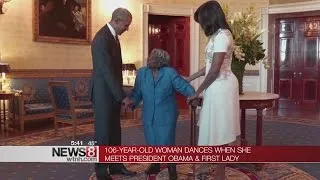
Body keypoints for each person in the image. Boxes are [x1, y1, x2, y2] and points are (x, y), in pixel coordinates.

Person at [186, 1, 240, 179]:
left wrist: (197, 91)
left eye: (202, 21)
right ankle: (214, 170)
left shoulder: (223, 36)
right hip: (215, 87)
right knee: (215, 129)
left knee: (221, 130)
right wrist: (191, 78)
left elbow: (215, 70)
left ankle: (220, 174)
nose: (201, 25)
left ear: (209, 18)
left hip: (222, 87)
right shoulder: (216, 36)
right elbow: (208, 66)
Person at [129, 49, 196, 180]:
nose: (150, 59)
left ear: (161, 61)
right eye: (150, 57)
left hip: (166, 114)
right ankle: (155, 164)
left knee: (166, 142)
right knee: (152, 141)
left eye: (153, 57)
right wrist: (132, 102)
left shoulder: (169, 73)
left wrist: (193, 95)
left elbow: (183, 86)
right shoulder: (142, 73)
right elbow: (137, 92)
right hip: (149, 114)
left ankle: (172, 169)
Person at [91, 8, 137, 180]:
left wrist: (119, 94)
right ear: (117, 20)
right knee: (103, 133)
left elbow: (115, 71)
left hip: (111, 93)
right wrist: (122, 96)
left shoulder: (113, 37)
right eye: (126, 25)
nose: (127, 28)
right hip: (103, 94)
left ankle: (116, 166)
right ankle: (102, 172)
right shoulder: (101, 39)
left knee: (114, 132)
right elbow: (106, 72)